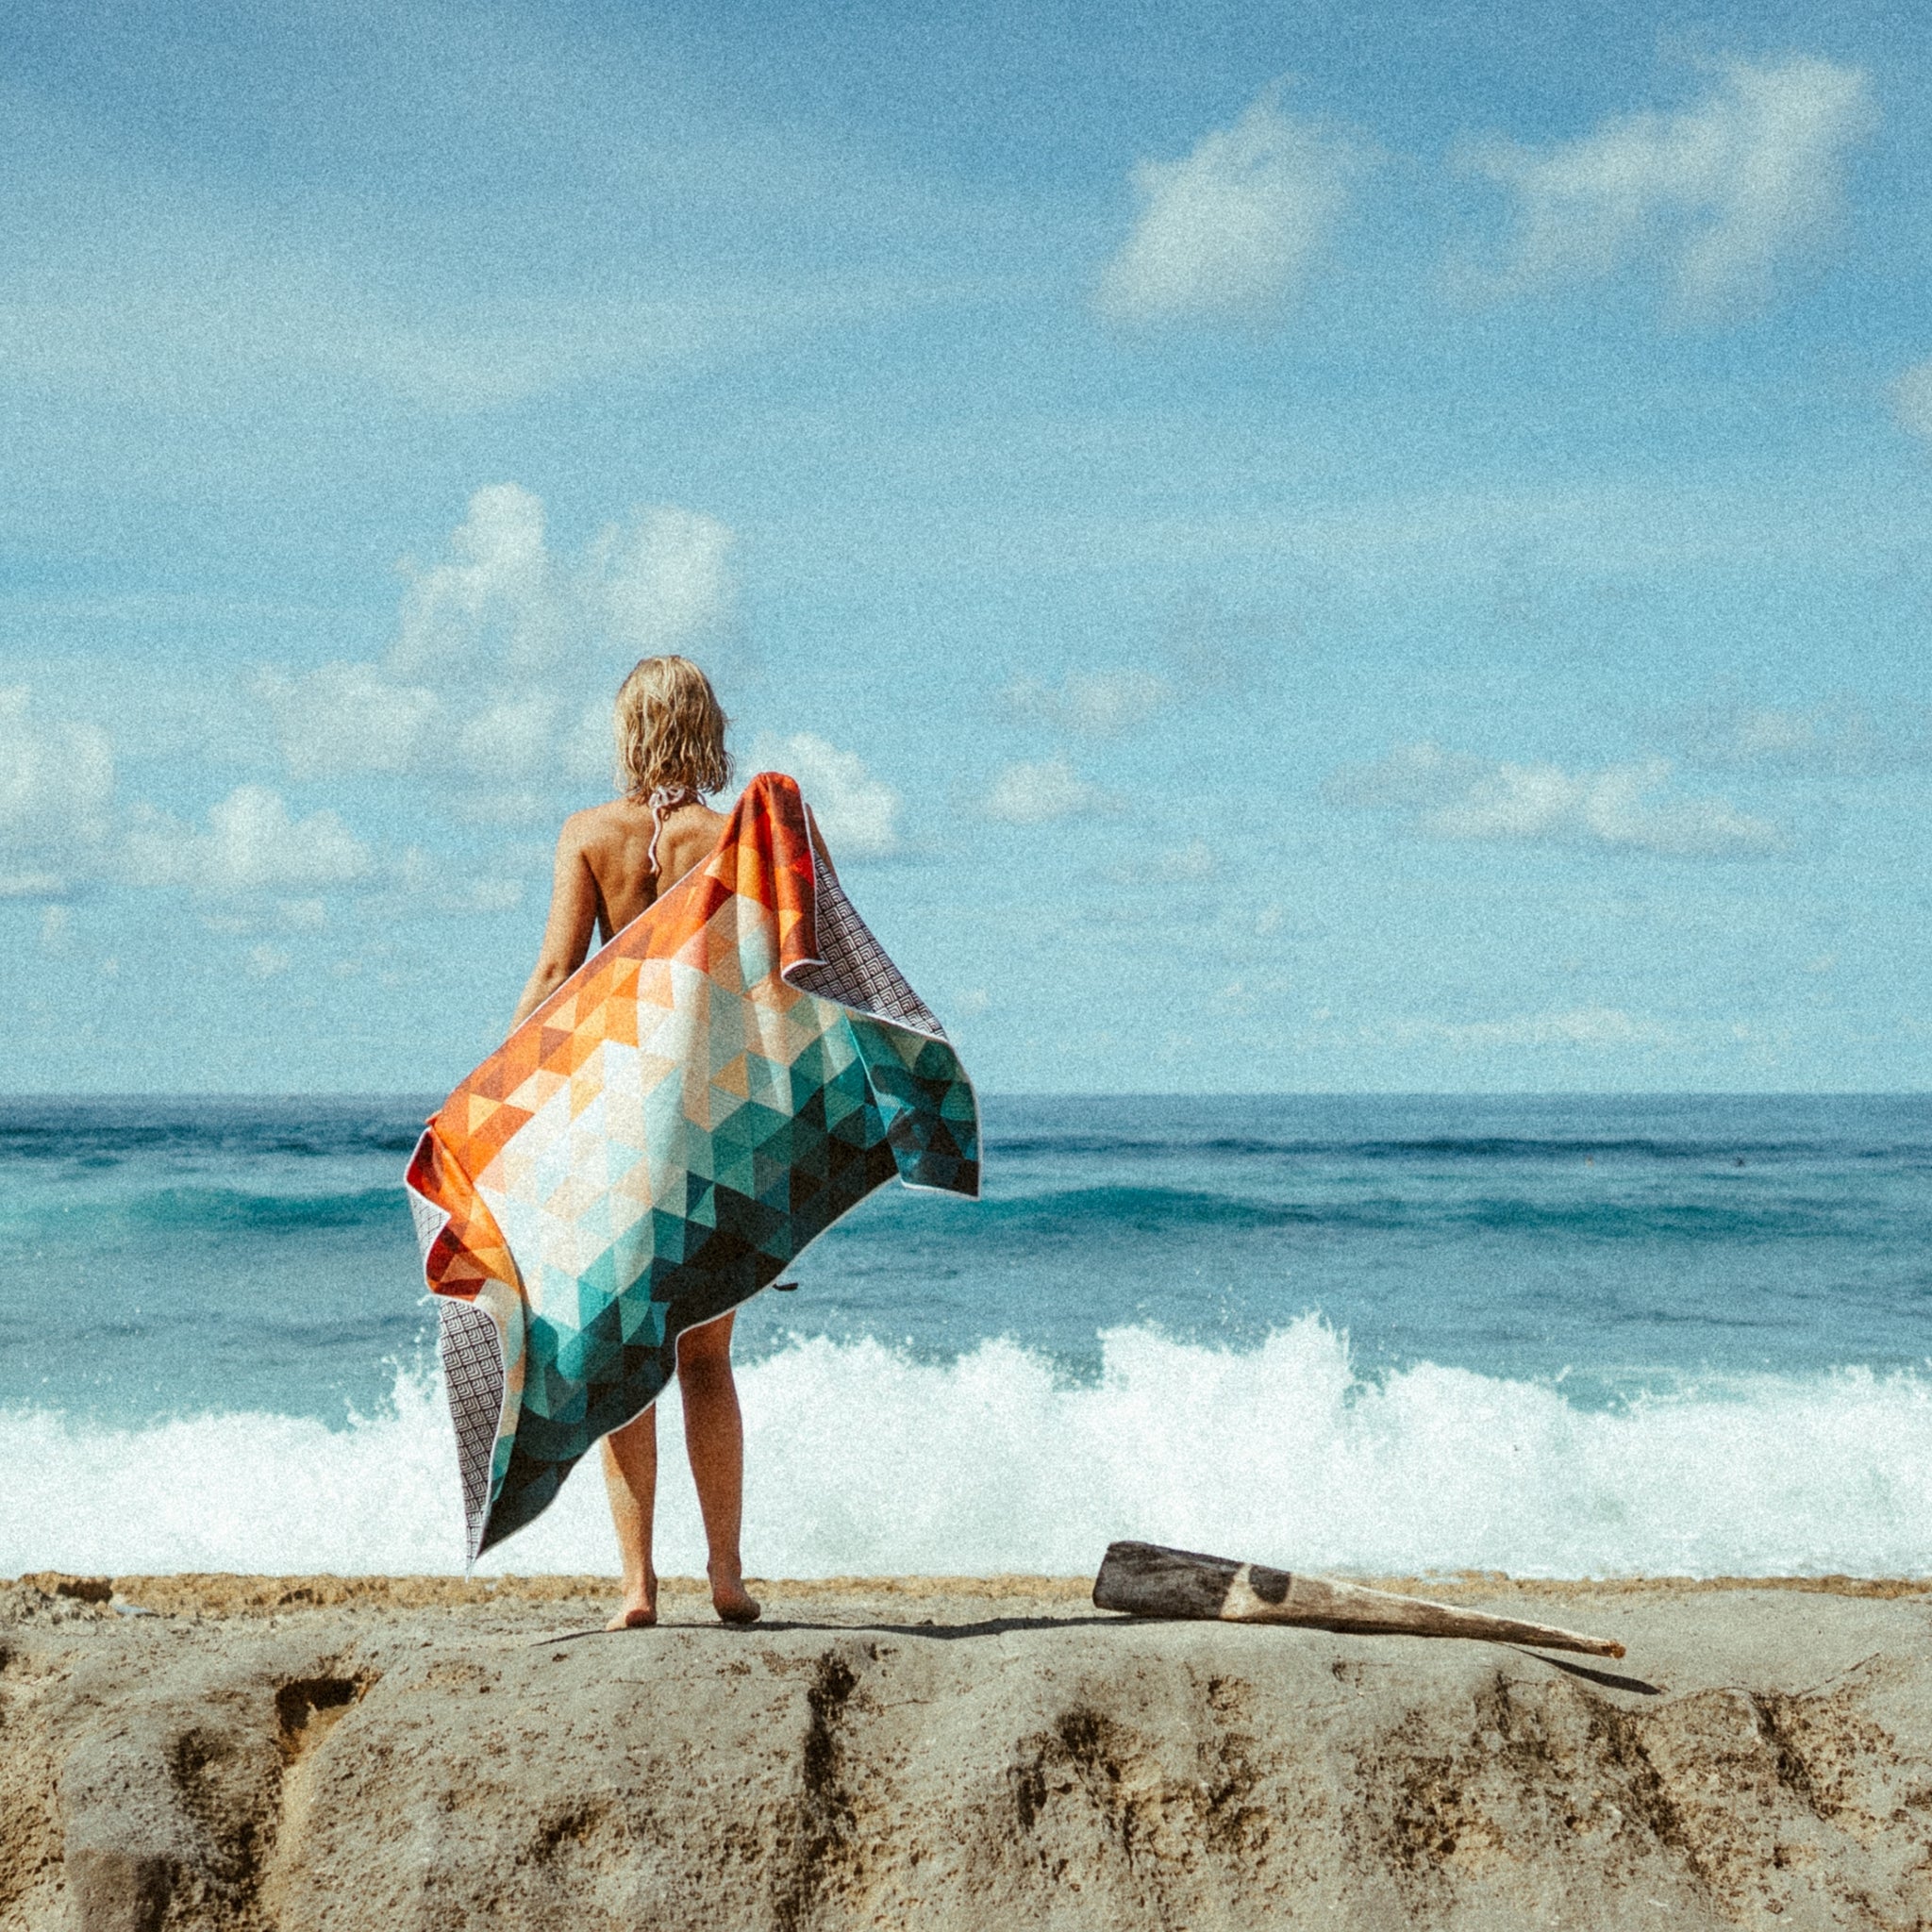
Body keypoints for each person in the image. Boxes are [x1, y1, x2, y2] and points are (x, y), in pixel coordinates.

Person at [510, 654, 779, 1631]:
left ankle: (635, 1585)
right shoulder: (738, 832)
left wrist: (493, 1085)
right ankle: (727, 1572)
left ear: (628, 732)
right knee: (706, 1354)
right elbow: (774, 972)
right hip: (714, 1116)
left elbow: (553, 968)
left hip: (617, 1111)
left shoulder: (589, 834)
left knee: (628, 1349)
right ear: (707, 730)